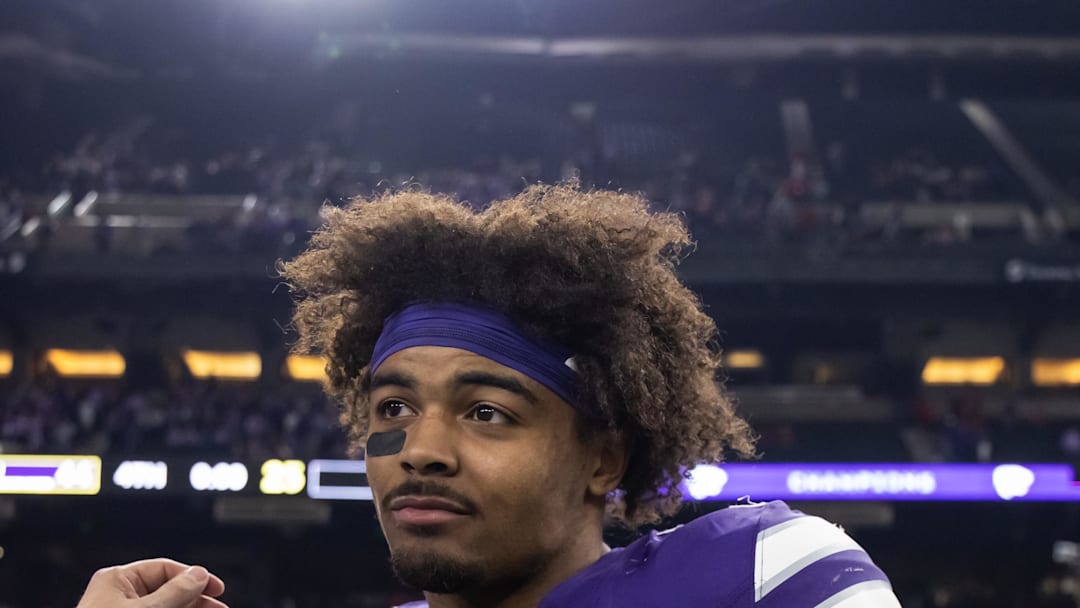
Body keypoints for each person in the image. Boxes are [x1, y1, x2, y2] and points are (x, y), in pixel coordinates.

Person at [77, 184, 900, 608]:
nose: (421, 449)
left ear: (602, 457)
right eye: (393, 408)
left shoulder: (765, 574)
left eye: (486, 412)